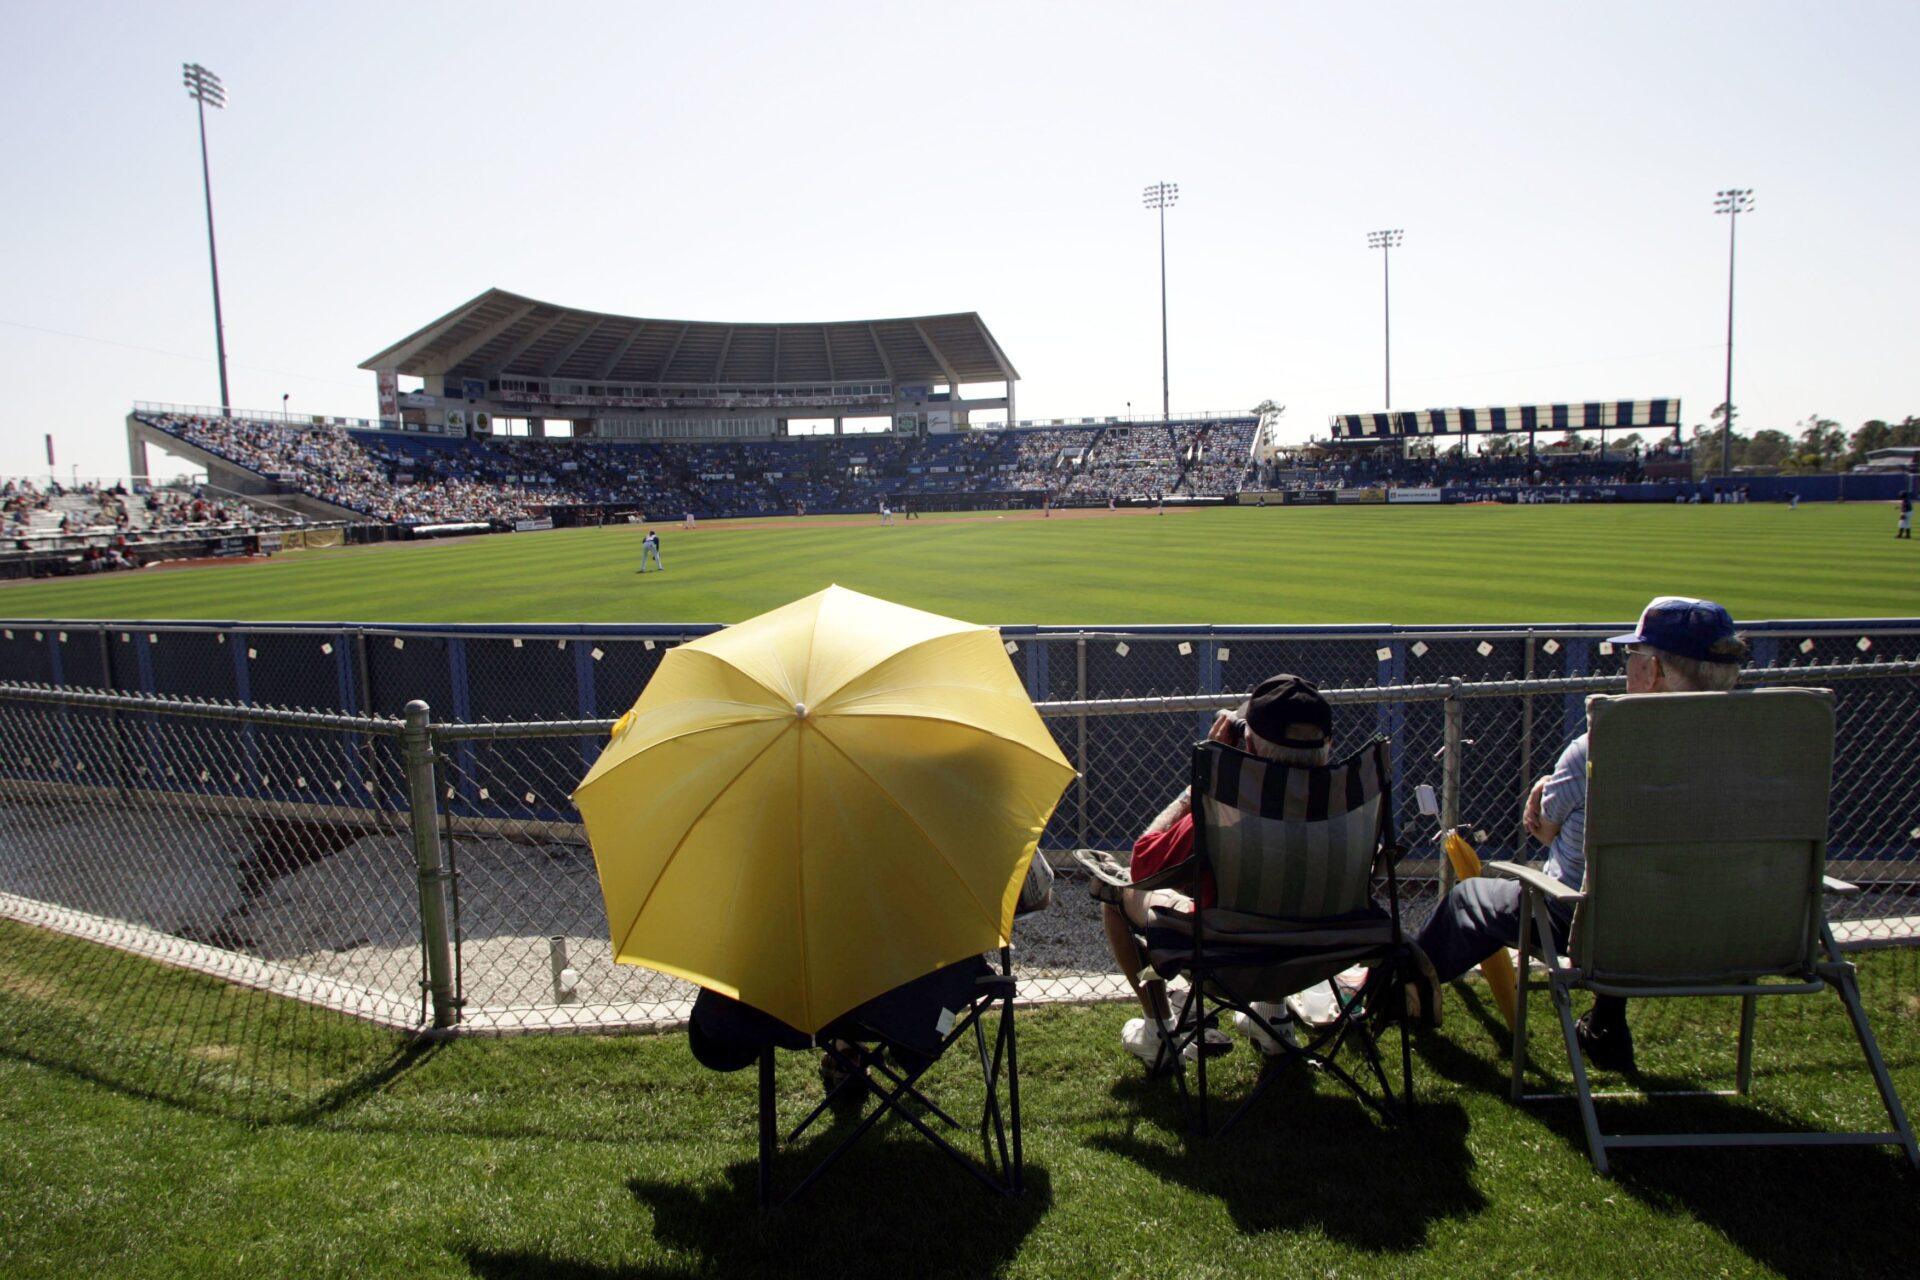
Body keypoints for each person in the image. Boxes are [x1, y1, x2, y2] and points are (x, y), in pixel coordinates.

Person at [1410, 597, 1749, 1071]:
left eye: (1631, 659)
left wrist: (1550, 789)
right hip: (1731, 930)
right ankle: (1607, 1026)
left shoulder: (1602, 744)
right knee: (1635, 883)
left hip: (1594, 927)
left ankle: (1396, 996)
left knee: (1470, 899)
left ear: (1652, 671)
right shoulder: (1768, 747)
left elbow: (1545, 831)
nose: (1626, 669)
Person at [1100, 674, 1339, 1066]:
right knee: (1280, 894)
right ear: (1328, 745)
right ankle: (1273, 1019)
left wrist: (1203, 780)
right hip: (1317, 955)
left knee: (1112, 888)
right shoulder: (1348, 805)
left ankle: (1157, 1030)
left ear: (1246, 743)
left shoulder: (1226, 813)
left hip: (1227, 962)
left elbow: (1144, 864)